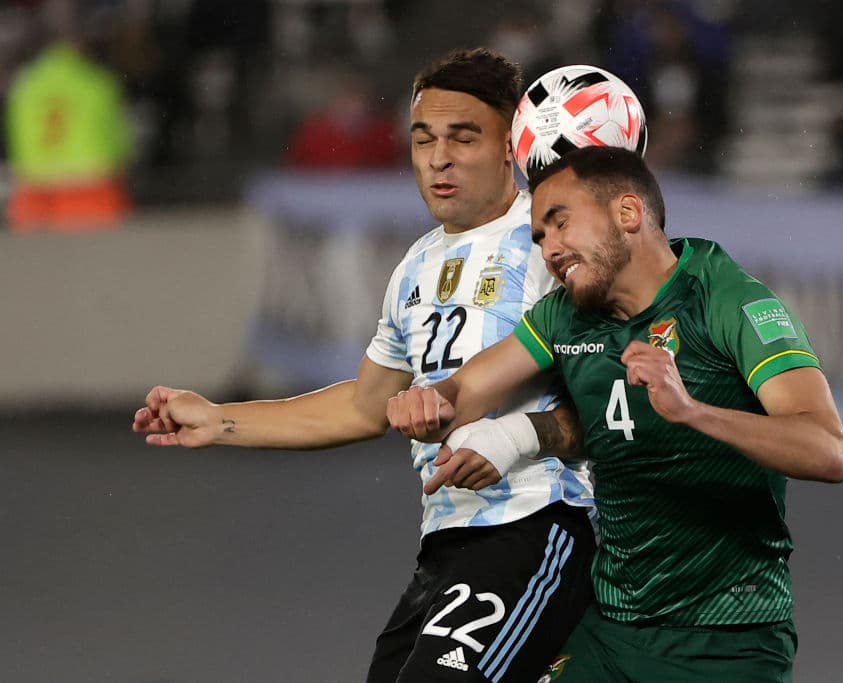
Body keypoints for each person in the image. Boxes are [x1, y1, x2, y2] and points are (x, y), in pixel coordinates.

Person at [132, 48, 595, 683]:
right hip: (449, 544)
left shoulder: (552, 240)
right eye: (424, 139)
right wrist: (220, 421)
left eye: (464, 138)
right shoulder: (415, 266)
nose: (439, 158)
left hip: (540, 528)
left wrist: (517, 435)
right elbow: (362, 406)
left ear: (510, 146)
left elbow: (613, 387)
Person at [387, 146, 843, 682]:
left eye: (560, 224)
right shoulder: (565, 316)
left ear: (628, 214)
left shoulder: (729, 302)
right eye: (540, 237)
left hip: (729, 639)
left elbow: (829, 450)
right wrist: (429, 398)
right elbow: (467, 387)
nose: (550, 250)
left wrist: (694, 412)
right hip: (613, 631)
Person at [5, 2, 132, 232]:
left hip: (35, 199)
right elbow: (121, 150)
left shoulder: (23, 87)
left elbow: (15, 147)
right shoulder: (97, 83)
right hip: (92, 196)